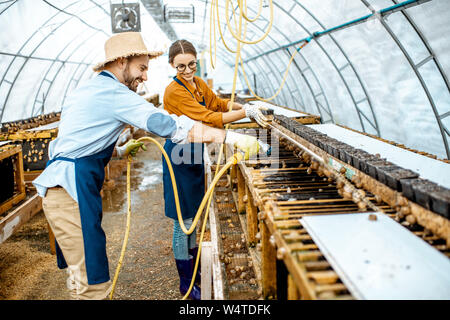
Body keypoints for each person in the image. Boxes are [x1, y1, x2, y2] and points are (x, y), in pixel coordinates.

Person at [32, 32, 260, 300]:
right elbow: (168, 125)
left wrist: (117, 149)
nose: (145, 77)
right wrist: (229, 136)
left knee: (78, 277)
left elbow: (71, 142)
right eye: (141, 68)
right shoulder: (115, 93)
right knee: (93, 286)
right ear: (120, 62)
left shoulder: (89, 89)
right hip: (71, 194)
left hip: (64, 190)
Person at [162, 39, 268, 300]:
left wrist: (245, 107)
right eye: (181, 67)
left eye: (191, 65)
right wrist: (244, 113)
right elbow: (208, 117)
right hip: (179, 154)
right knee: (183, 220)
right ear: (171, 65)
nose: (187, 71)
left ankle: (194, 270)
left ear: (196, 62)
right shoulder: (173, 91)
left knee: (195, 215)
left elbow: (218, 104)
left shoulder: (198, 84)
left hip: (194, 149)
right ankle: (186, 282)